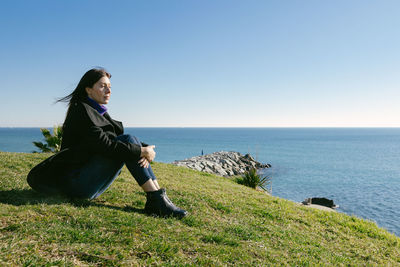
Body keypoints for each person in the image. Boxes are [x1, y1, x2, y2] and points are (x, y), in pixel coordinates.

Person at [27, 68, 187, 218]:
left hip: (86, 183)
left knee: (130, 143)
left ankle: (157, 197)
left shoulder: (96, 110)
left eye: (109, 87)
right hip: (75, 184)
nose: (109, 91)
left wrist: (144, 149)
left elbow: (118, 138)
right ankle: (156, 201)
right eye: (102, 86)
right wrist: (141, 151)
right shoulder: (81, 111)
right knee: (129, 144)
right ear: (88, 89)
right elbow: (107, 146)